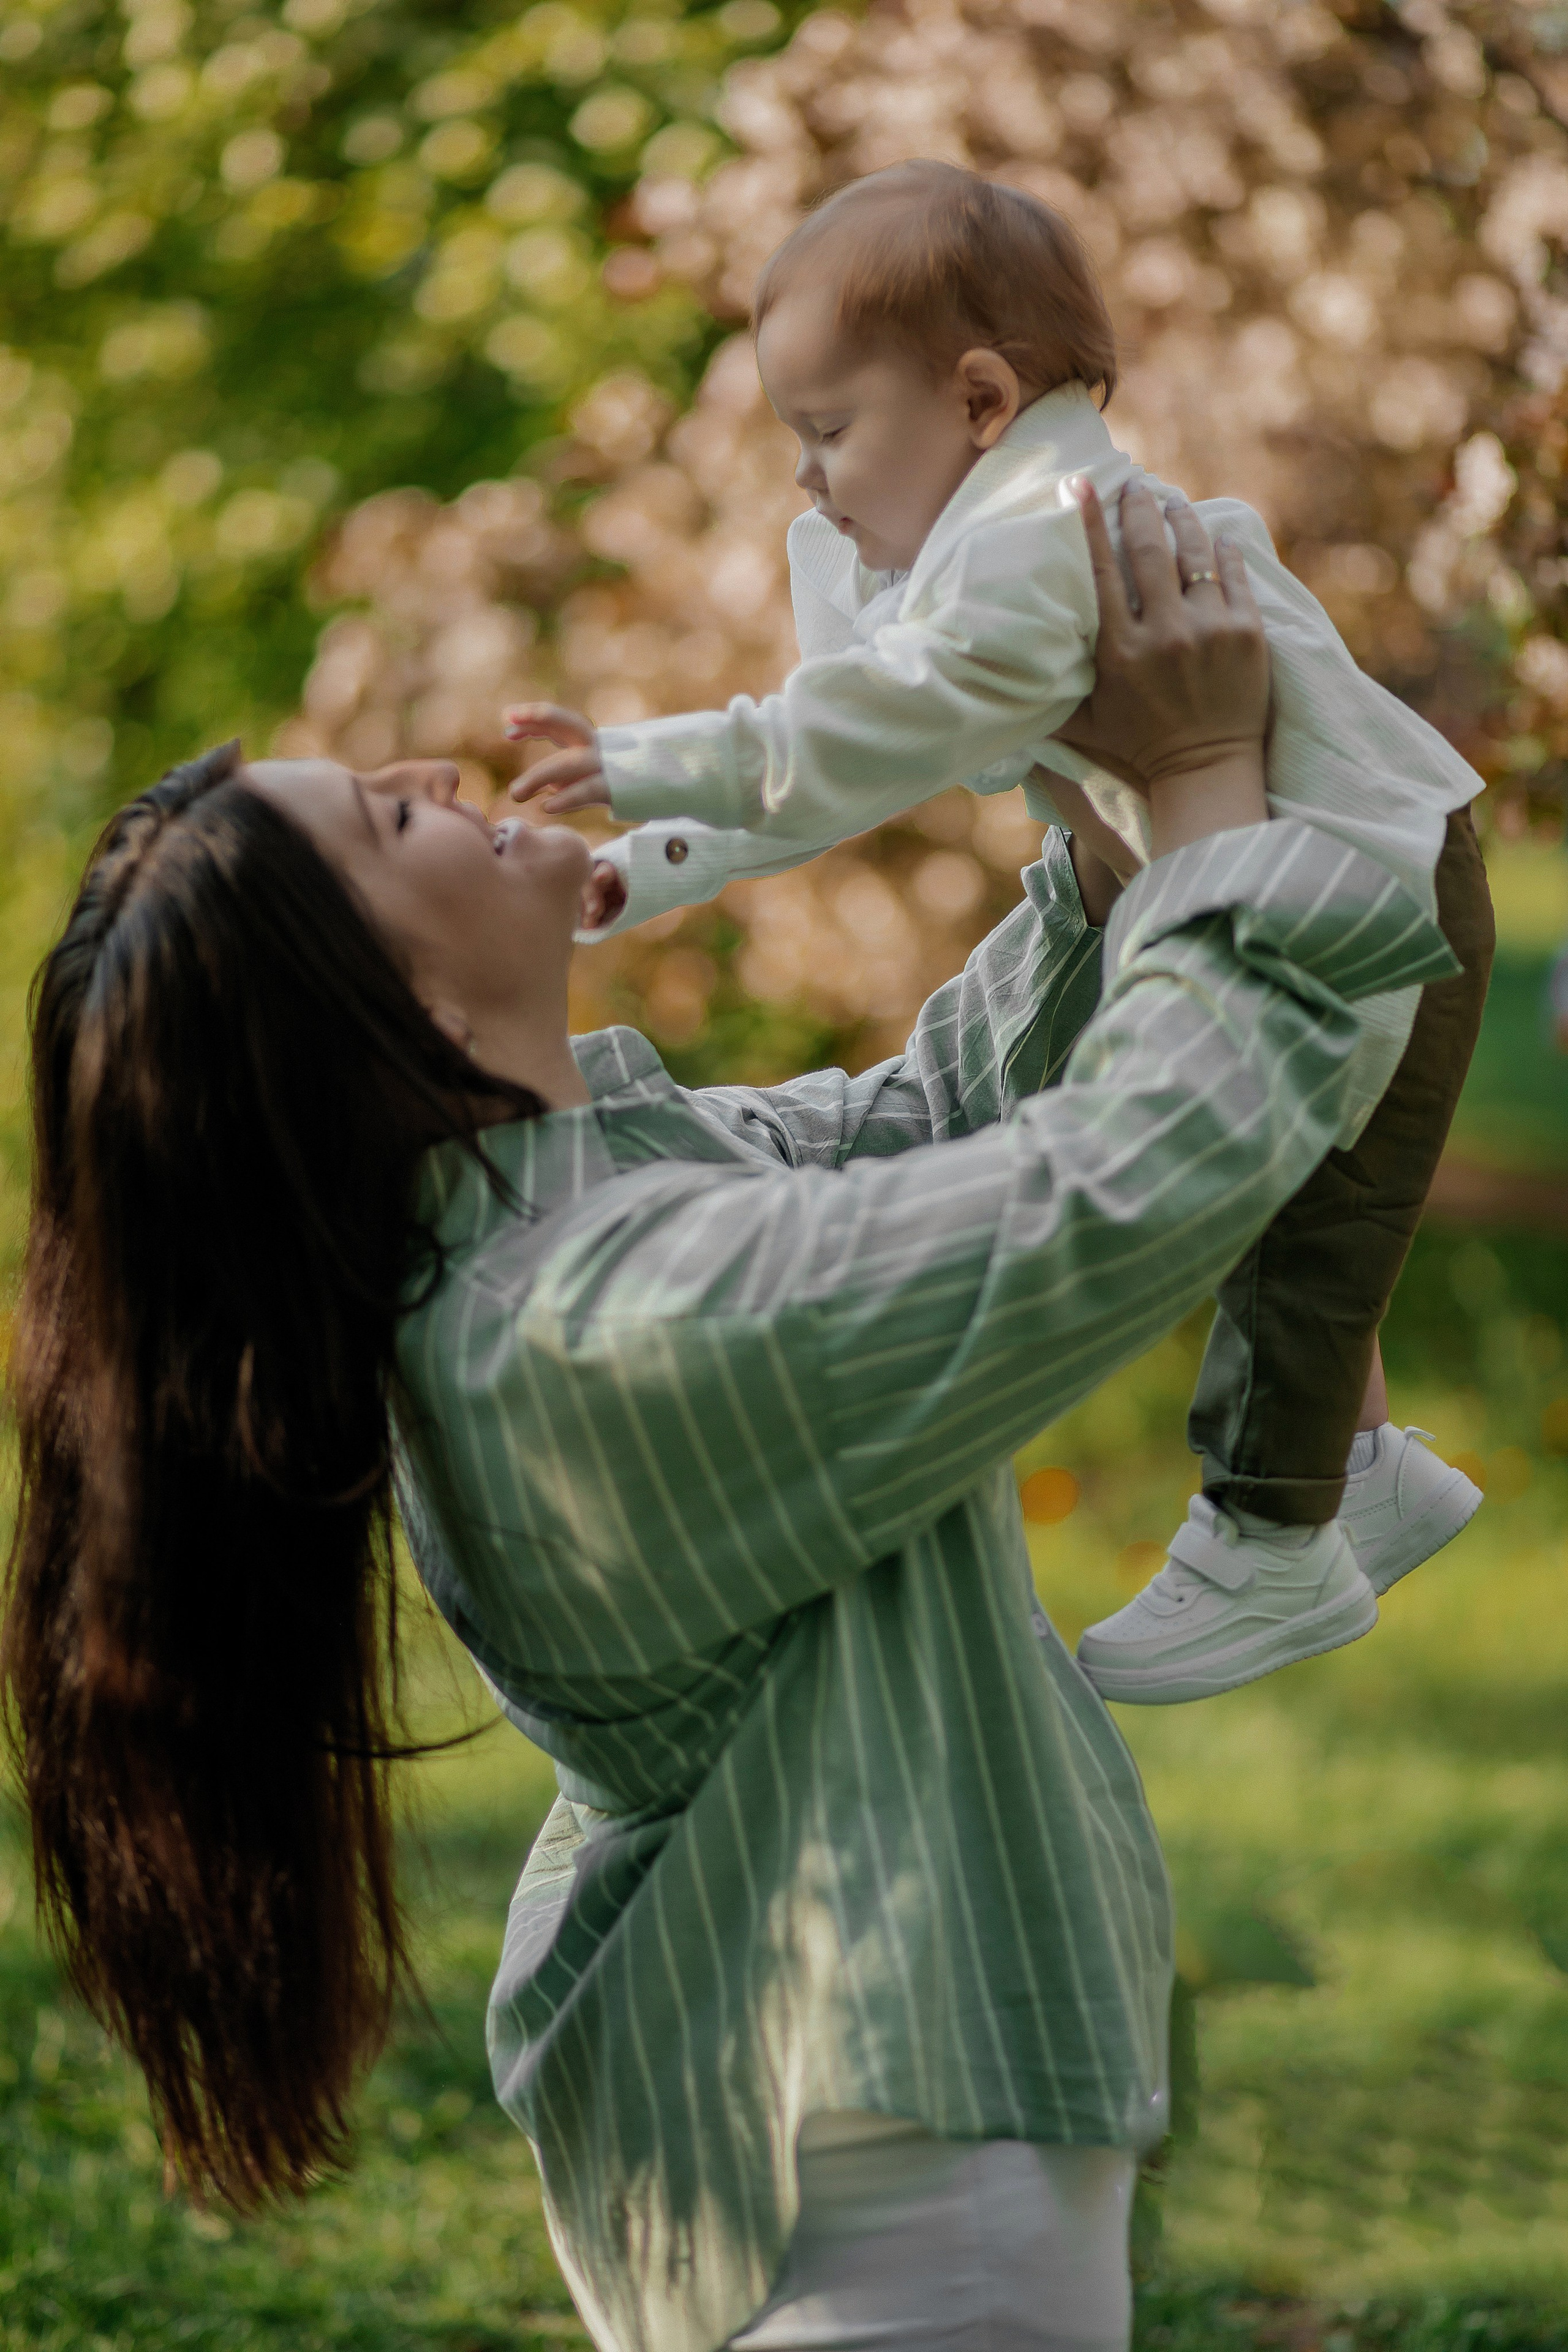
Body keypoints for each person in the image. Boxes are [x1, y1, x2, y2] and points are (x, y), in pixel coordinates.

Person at [3, 492, 1453, 2352]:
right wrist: (1199, 797)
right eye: (381, 815)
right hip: (894, 2223)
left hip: (882, 2153)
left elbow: (943, 1118)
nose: (437, 770)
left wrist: (1088, 806)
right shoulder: (598, 1326)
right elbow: (1124, 1186)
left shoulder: (595, 1202)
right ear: (388, 1004)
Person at [507, 159, 1494, 1706]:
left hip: (1353, 888)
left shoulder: (1048, 527)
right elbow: (853, 746)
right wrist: (654, 863)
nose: (807, 484)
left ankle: (1276, 1538)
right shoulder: (985, 530)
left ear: (978, 400)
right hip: (1238, 863)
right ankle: (1368, 1475)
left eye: (828, 434)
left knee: (1286, 1205)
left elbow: (868, 726)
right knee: (1299, 1205)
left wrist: (650, 758)